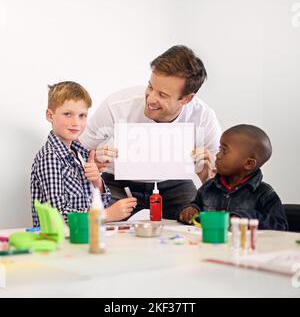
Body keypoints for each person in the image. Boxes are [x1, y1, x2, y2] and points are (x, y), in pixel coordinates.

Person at [79, 45, 222, 219]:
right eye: (150, 87)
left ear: (186, 99)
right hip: (116, 184)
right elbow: (78, 150)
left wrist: (206, 176)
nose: (151, 98)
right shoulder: (117, 106)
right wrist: (95, 160)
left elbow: (219, 179)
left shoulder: (204, 117)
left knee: (200, 218)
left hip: (175, 186)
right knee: (95, 219)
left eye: (162, 94)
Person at [31, 81, 137, 226]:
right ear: (50, 115)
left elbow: (100, 202)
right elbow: (58, 218)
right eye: (68, 114)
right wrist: (106, 215)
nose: (76, 122)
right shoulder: (50, 158)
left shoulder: (81, 154)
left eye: (82, 116)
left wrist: (97, 182)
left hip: (82, 238)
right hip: (60, 243)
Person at [178, 124, 288, 230]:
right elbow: (197, 207)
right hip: (210, 246)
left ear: (249, 163)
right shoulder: (208, 187)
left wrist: (245, 219)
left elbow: (280, 225)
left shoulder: (265, 194)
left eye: (224, 151)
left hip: (244, 247)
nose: (218, 155)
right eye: (219, 148)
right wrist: (191, 210)